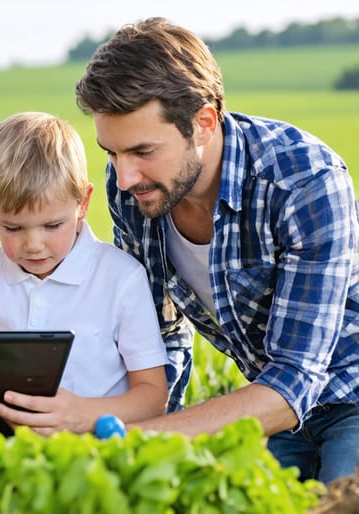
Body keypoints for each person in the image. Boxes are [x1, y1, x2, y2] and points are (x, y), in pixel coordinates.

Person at [74, 17, 359, 483]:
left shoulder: (304, 181)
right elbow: (159, 335)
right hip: (271, 407)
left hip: (345, 395)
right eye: (112, 153)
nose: (123, 177)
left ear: (203, 123)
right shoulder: (136, 189)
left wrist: (149, 439)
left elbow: (293, 382)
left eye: (143, 151)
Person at [0, 112, 169, 435]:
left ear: (83, 203)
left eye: (52, 225)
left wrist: (84, 414)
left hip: (94, 452)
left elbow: (152, 395)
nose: (33, 245)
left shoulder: (120, 278)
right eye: (13, 227)